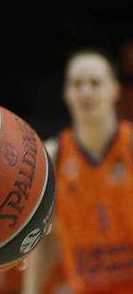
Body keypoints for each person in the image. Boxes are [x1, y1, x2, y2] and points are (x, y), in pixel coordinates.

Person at [22, 49, 133, 294]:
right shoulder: (52, 156)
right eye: (77, 83)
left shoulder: (130, 146)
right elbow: (45, 238)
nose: (85, 91)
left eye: (95, 83)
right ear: (66, 93)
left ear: (114, 90)